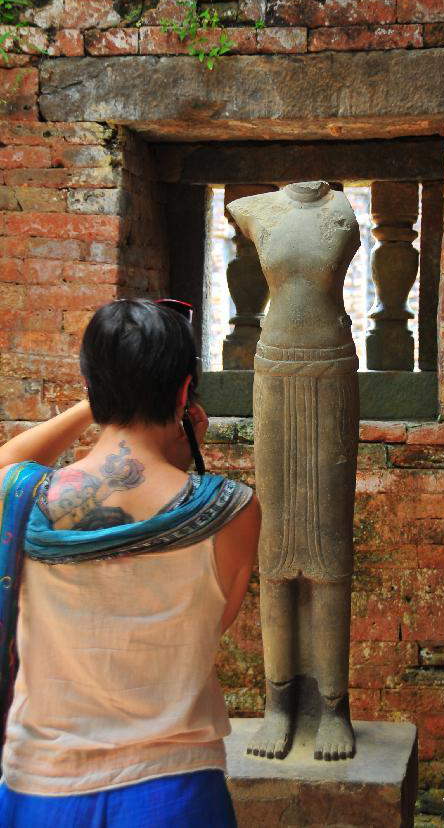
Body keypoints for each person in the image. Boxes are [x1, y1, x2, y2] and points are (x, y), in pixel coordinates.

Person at [0, 299, 261, 827]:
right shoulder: (231, 510)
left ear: (92, 387)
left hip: (41, 788)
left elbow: (9, 458)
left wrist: (93, 404)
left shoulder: (21, 496)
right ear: (185, 391)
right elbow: (213, 624)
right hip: (176, 790)